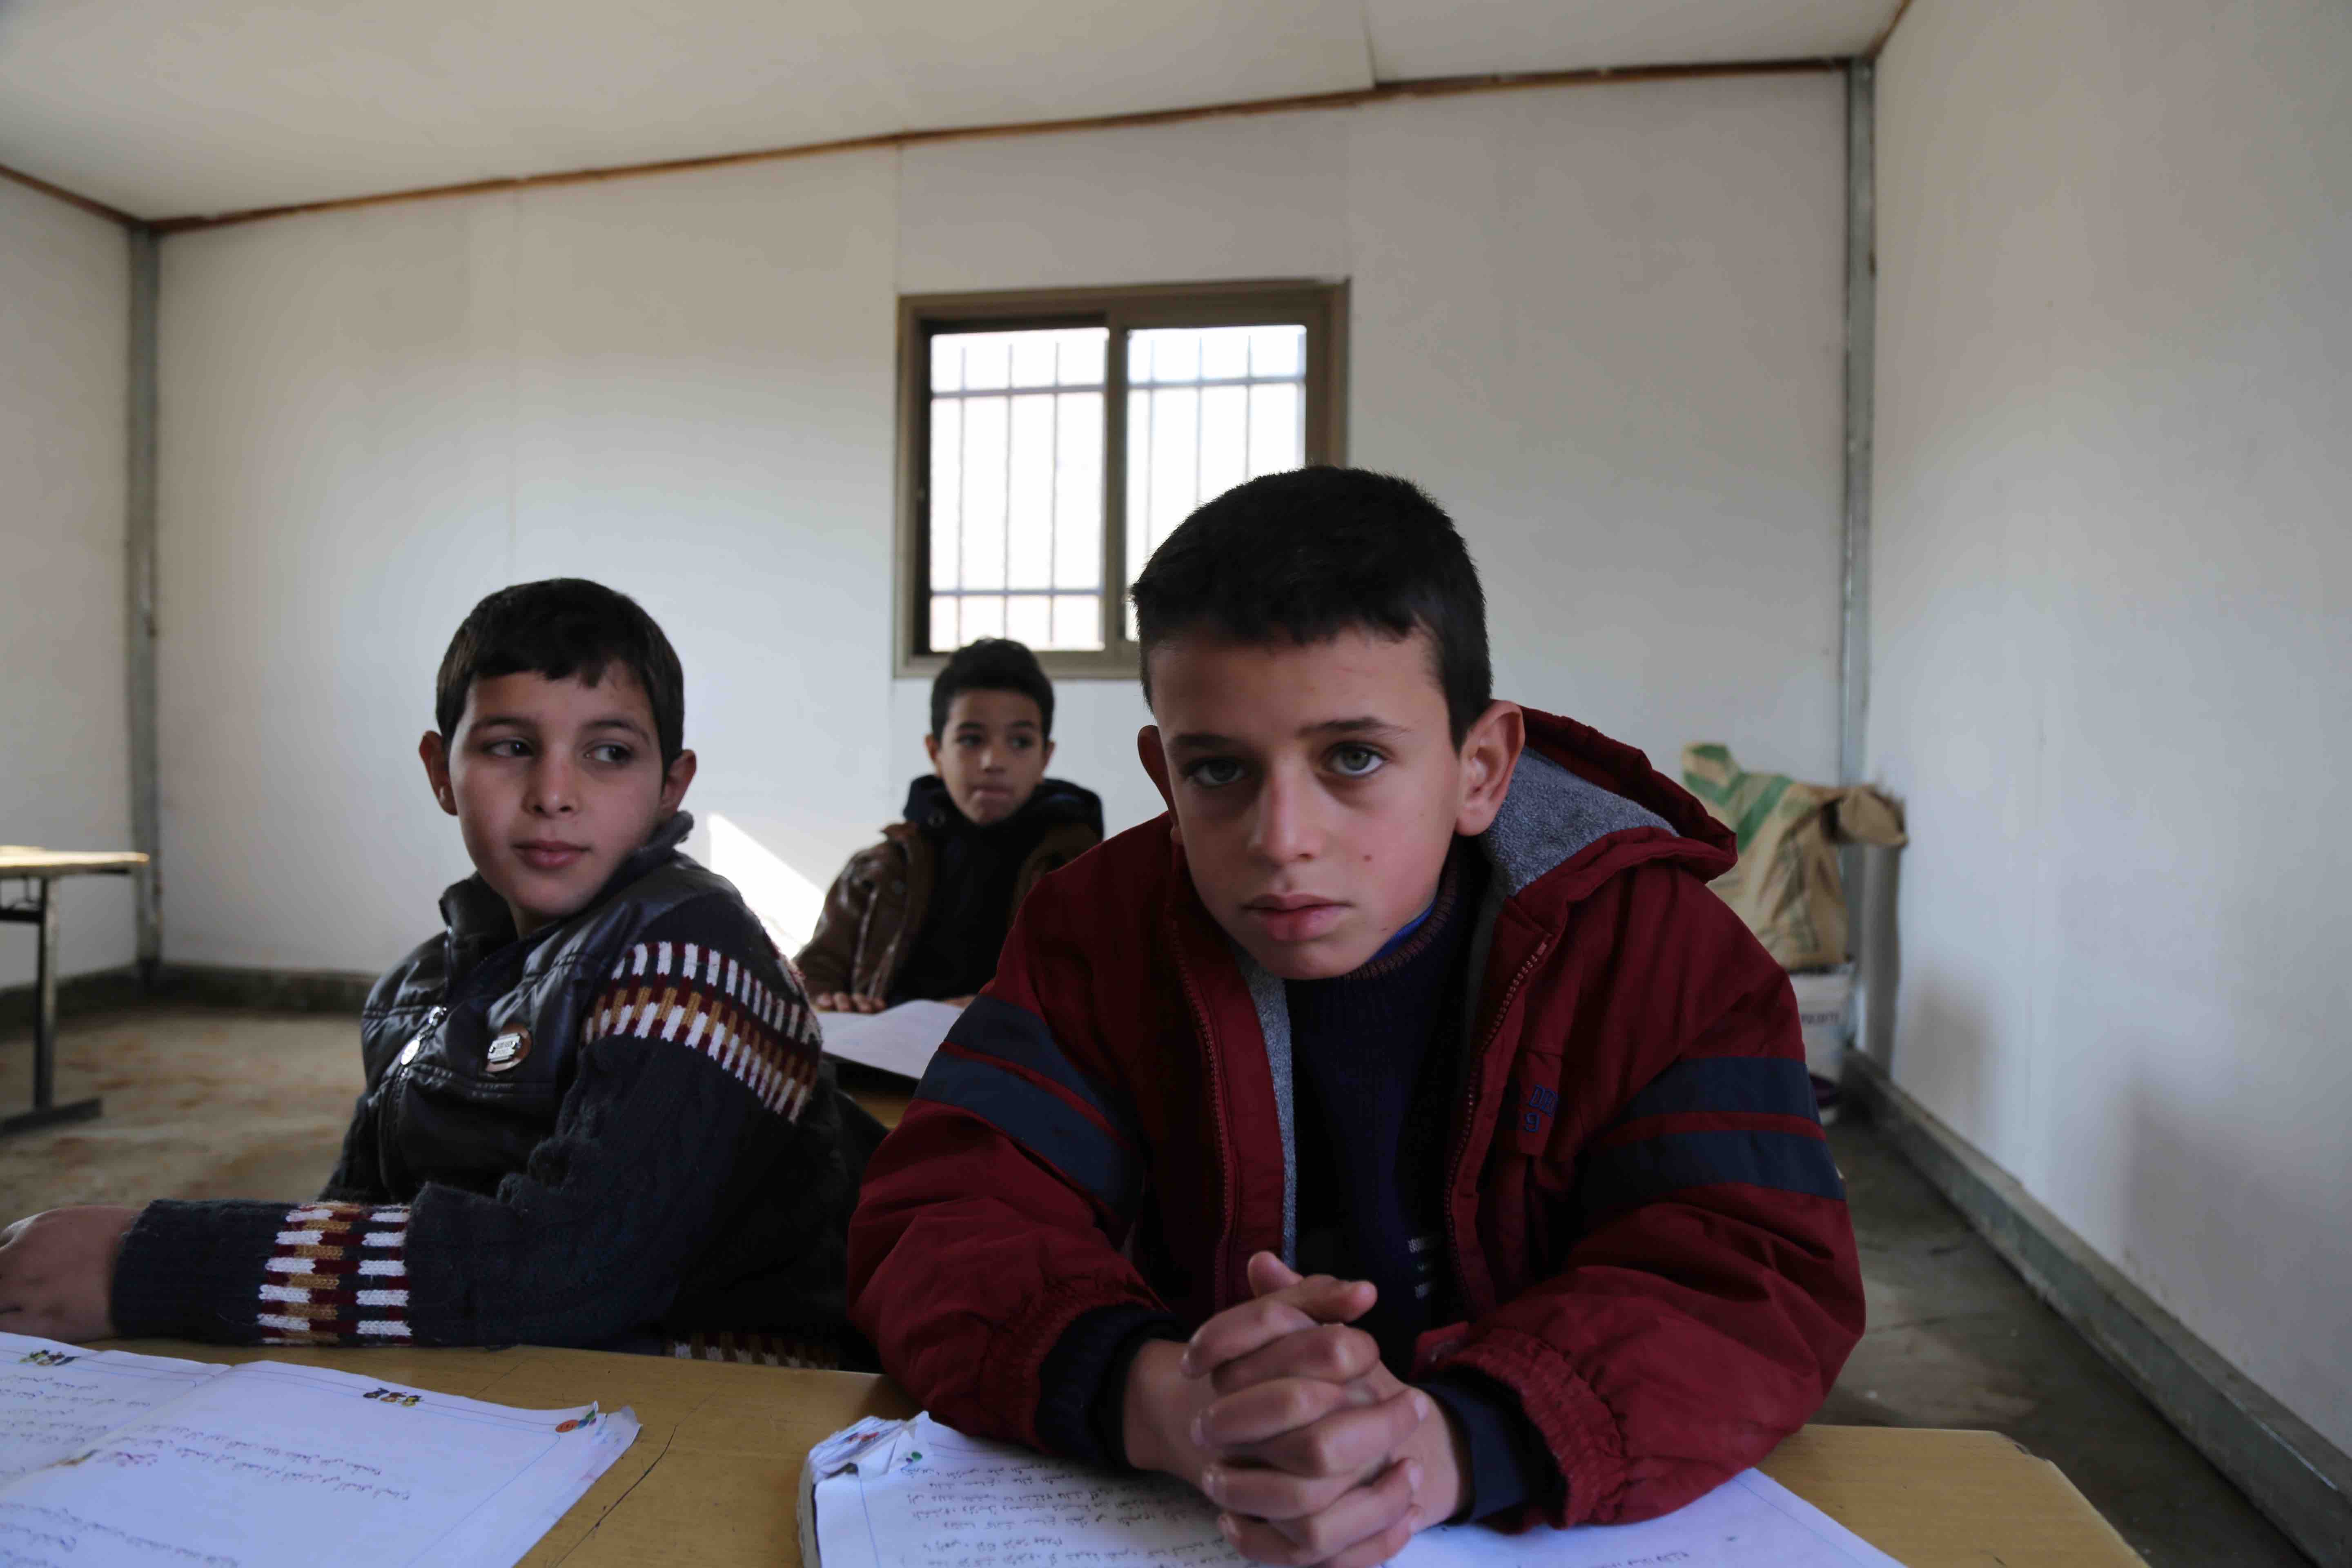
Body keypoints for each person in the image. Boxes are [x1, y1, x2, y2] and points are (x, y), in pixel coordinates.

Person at [847, 470, 1864, 1567]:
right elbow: (942, 1218)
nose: (1282, 836)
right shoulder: (1093, 931)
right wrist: (1162, 1397)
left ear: (1480, 767)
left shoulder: (1655, 952)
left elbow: (1754, 1273)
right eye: (1218, 769)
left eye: (1354, 757)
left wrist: (1449, 1442)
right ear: (1164, 775)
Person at [0, 578, 882, 1363]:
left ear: (670, 787)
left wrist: (144, 1262)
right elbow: (353, 1216)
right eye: (509, 746)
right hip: (494, 1382)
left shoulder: (693, 950)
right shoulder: (418, 991)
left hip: (713, 1386)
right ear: (440, 771)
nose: (554, 793)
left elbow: (572, 1270)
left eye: (609, 752)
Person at [799, 637, 1101, 1013]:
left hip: (1017, 1051)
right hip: (885, 1050)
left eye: (1020, 742)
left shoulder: (1085, 871)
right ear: (935, 752)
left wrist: (1002, 1012)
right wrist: (833, 1004)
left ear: (1045, 758)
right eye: (971, 740)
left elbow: (1110, 994)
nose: (993, 761)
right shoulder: (879, 869)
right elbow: (810, 981)